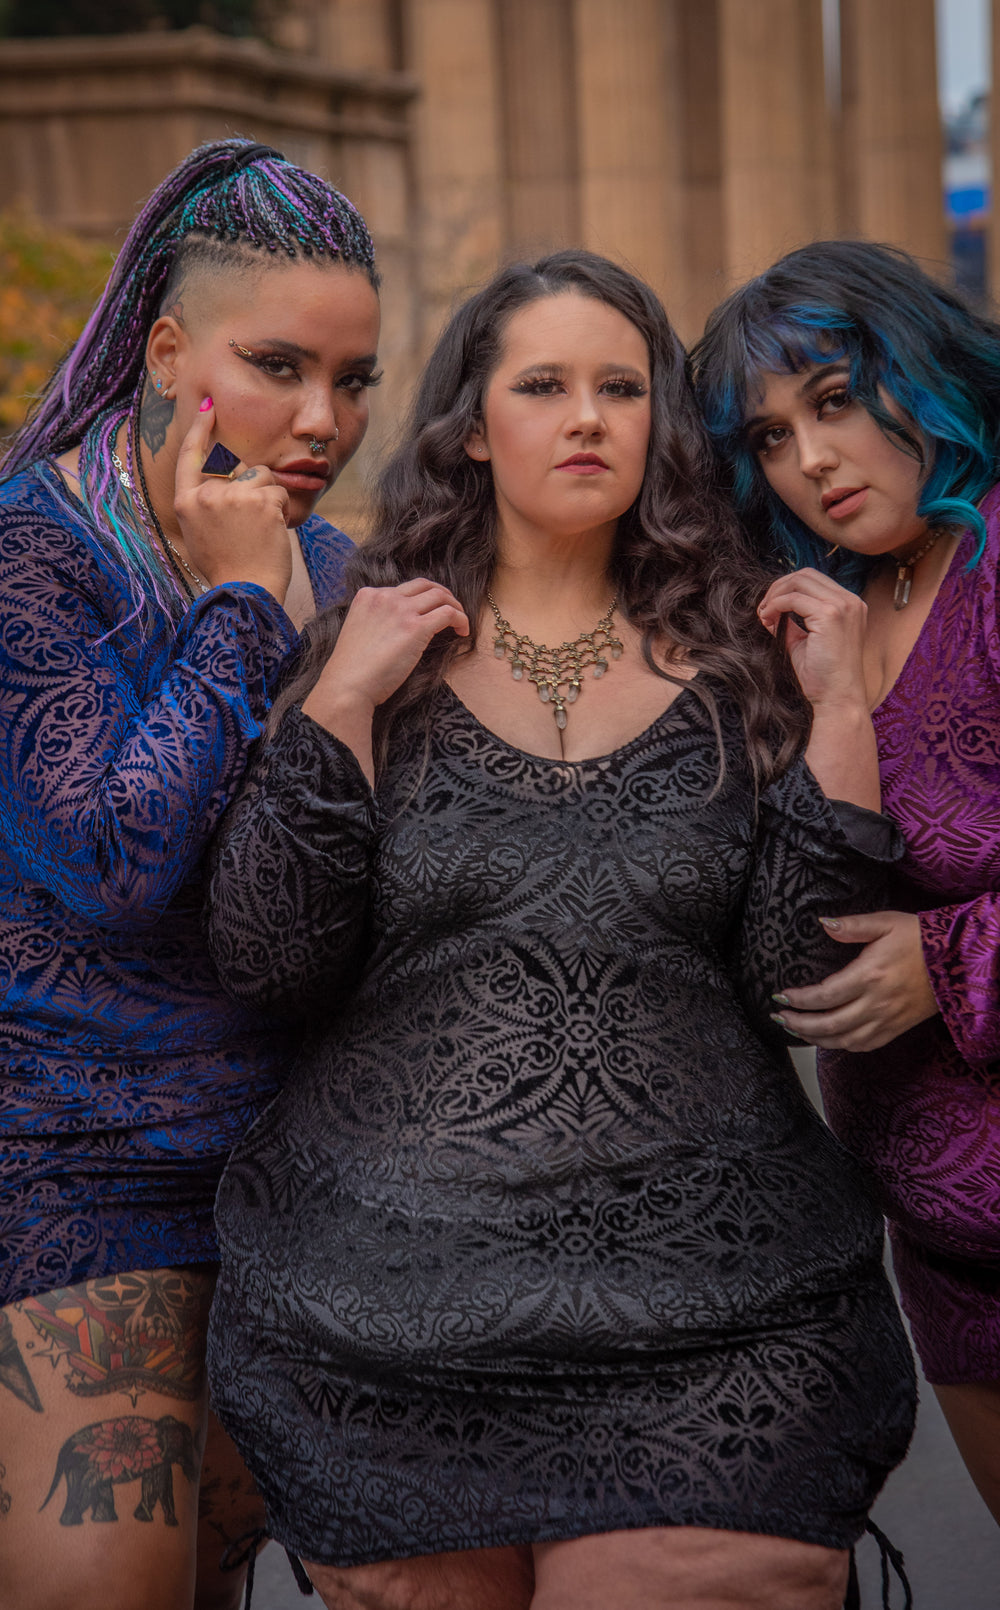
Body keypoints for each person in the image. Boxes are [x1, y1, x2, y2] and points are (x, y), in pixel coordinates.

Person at [205, 249, 915, 1610]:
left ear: (661, 425)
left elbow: (805, 979)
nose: (588, 417)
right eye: (543, 385)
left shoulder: (749, 659)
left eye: (622, 388)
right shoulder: (374, 650)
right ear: (474, 427)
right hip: (384, 1328)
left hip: (720, 1330)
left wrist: (839, 717)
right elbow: (269, 960)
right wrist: (339, 703)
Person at [0, 137, 381, 1610]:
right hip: (82, 1159)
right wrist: (238, 610)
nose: (322, 419)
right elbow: (115, 861)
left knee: (215, 1577)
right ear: (167, 350)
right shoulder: (34, 558)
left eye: (353, 378)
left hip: (293, 1164)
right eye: (277, 365)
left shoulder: (331, 569)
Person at [691, 237, 1000, 1530]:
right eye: (770, 436)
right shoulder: (831, 608)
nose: (811, 459)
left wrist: (947, 961)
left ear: (922, 368)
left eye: (834, 400)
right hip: (942, 1238)